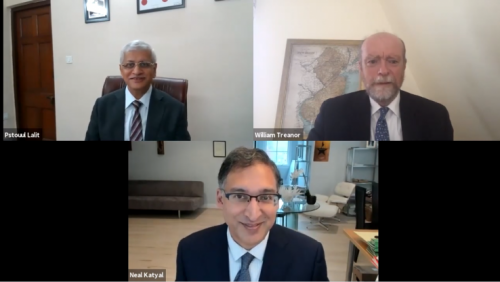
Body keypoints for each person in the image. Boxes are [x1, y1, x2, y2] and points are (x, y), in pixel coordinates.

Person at [175, 147, 329, 281]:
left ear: (276, 201)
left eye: (266, 197)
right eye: (240, 196)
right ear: (220, 199)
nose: (253, 214)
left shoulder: (309, 257)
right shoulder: (190, 252)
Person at [308, 32, 453, 141]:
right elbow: (317, 160)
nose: (383, 71)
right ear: (360, 68)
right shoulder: (332, 113)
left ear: (404, 66)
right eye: (372, 61)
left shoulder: (436, 116)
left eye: (393, 61)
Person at [84, 40, 190, 141]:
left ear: (154, 69)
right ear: (121, 70)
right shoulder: (102, 106)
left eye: (144, 64)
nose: (137, 71)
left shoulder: (175, 110)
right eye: (130, 65)